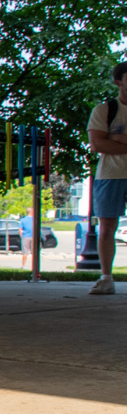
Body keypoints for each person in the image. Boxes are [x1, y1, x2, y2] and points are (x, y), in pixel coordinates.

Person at [86, 61, 127, 295]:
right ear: (118, 81)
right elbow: (97, 143)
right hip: (110, 176)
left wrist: (118, 139)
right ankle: (106, 277)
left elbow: (105, 141)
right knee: (107, 227)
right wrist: (110, 141)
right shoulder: (104, 110)